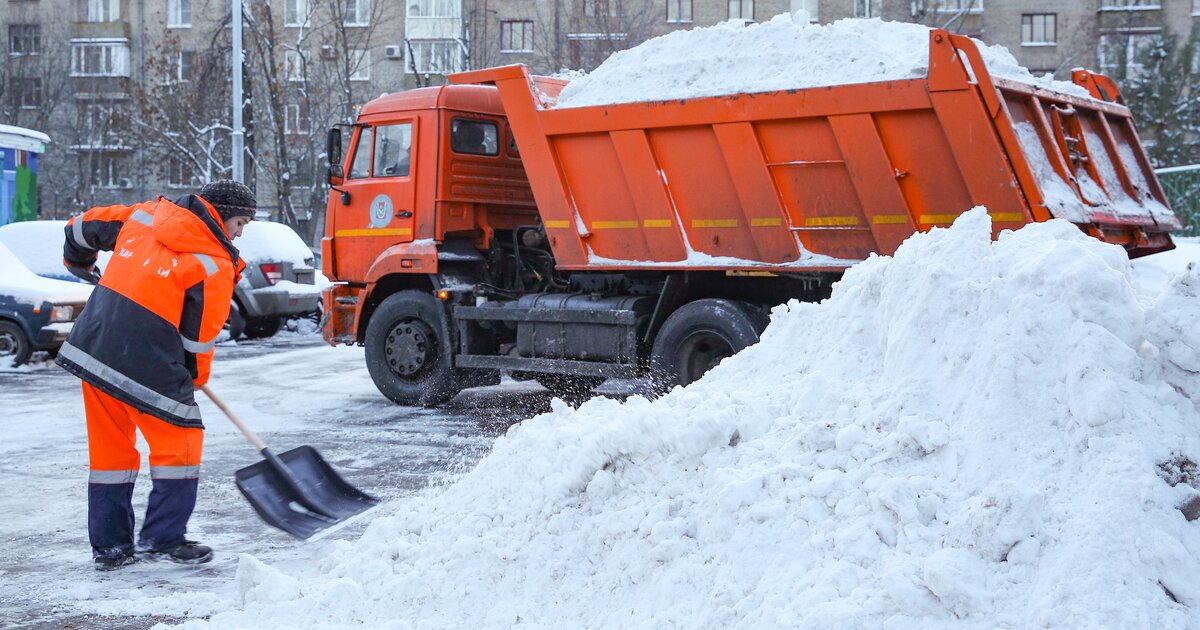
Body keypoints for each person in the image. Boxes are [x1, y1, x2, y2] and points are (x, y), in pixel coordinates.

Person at [57, 180, 255, 571]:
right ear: (220, 213)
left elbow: (80, 227)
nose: (239, 233)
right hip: (144, 359)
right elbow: (197, 342)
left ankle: (111, 548)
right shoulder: (214, 263)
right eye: (240, 222)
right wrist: (193, 381)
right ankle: (163, 537)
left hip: (93, 349)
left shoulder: (144, 216)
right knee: (181, 443)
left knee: (111, 453)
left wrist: (77, 262)